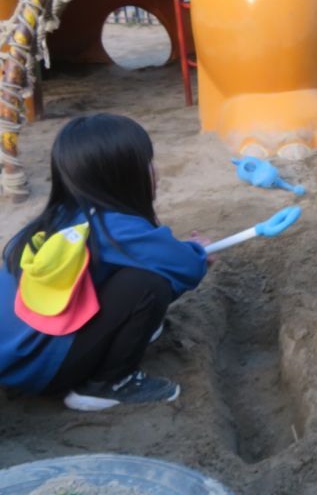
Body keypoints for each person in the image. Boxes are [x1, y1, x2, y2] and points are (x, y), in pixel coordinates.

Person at [0, 114, 211, 411]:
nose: (156, 171)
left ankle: (120, 339)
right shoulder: (115, 229)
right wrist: (198, 251)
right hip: (41, 368)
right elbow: (186, 267)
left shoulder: (59, 218)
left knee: (132, 274)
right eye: (148, 163)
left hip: (14, 358)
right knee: (148, 285)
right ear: (123, 178)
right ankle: (107, 383)